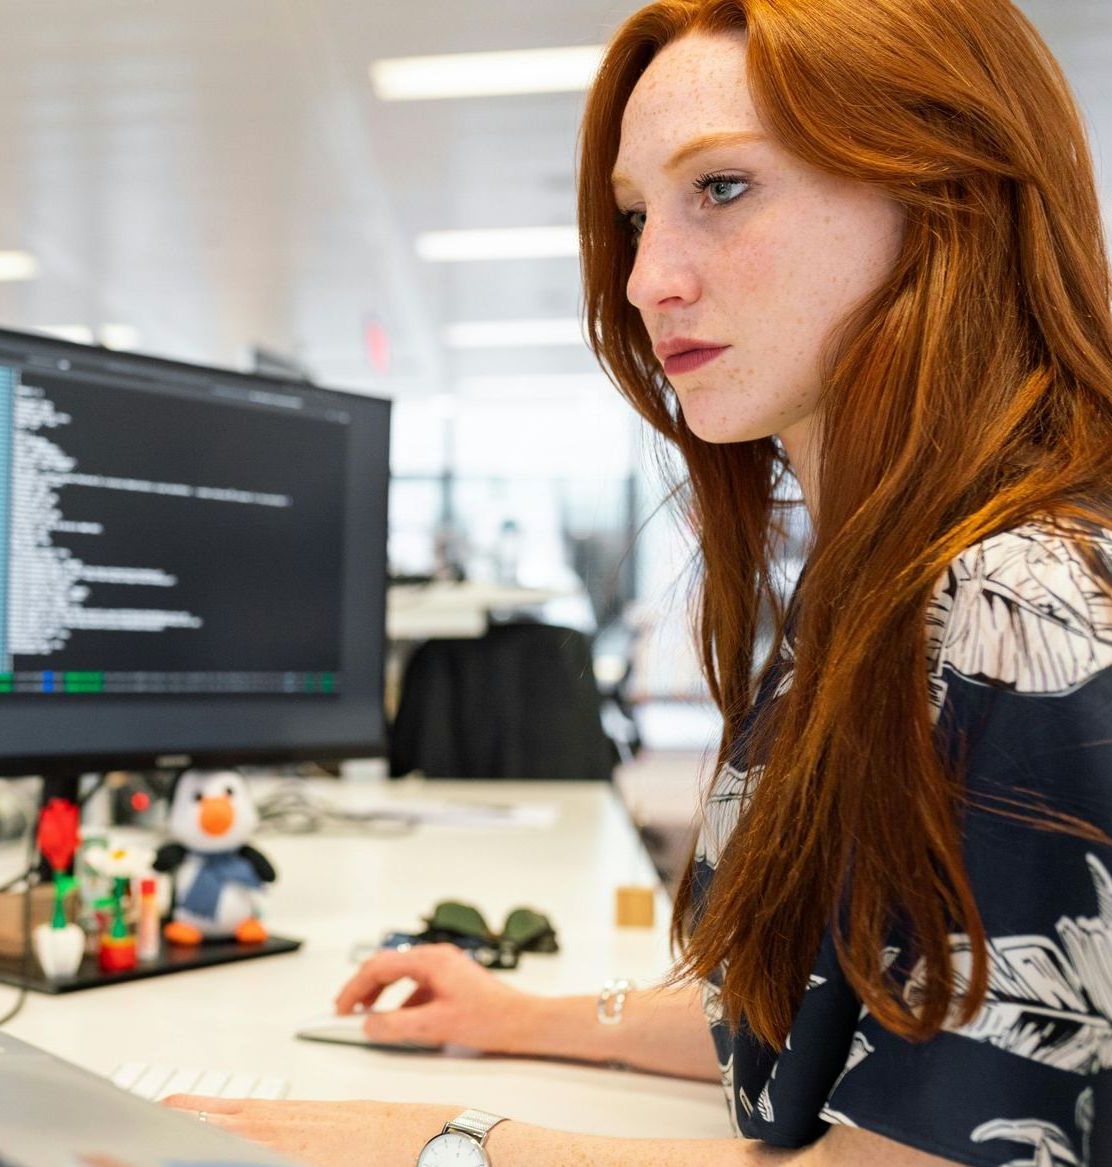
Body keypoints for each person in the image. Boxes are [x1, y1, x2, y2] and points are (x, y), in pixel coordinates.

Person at [166, 0, 1112, 1163]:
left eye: (721, 187)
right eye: (632, 216)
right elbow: (835, 1014)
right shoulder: (881, 583)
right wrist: (522, 1019)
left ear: (944, 192)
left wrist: (439, 1144)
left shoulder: (1022, 604)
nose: (643, 279)